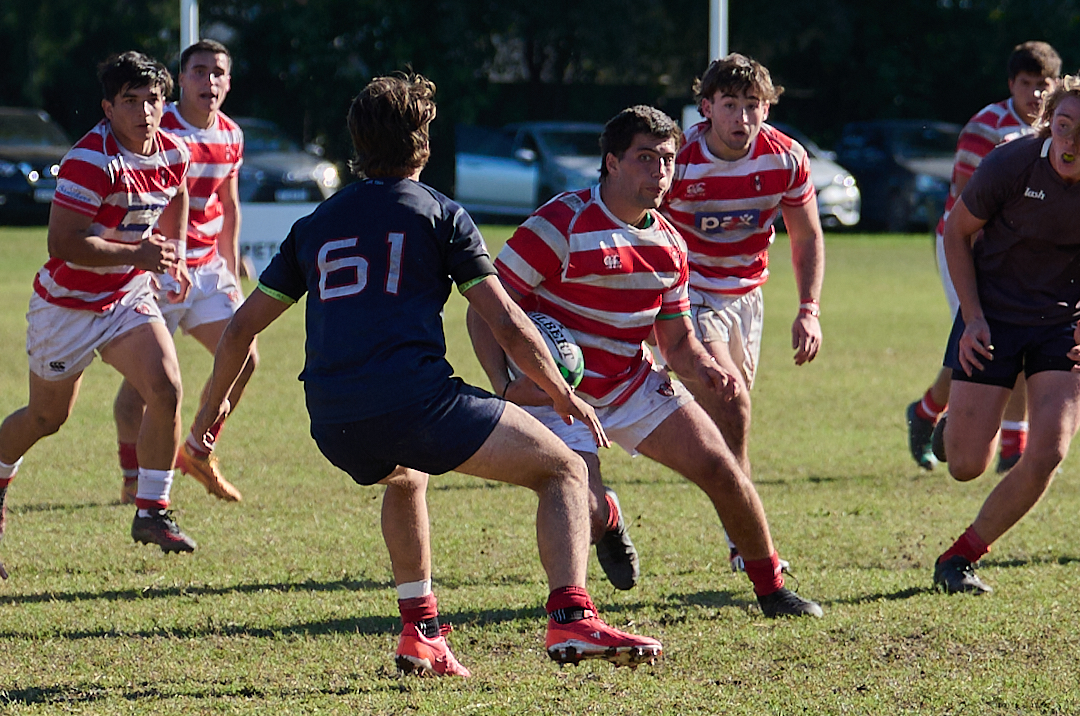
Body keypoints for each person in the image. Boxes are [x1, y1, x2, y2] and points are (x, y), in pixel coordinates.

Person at [189, 72, 663, 676]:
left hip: (332, 420)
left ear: (355, 145)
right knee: (564, 469)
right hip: (416, 402)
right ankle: (571, 618)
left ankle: (423, 634)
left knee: (405, 477)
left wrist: (210, 414)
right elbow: (507, 321)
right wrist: (561, 393)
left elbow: (238, 329)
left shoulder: (317, 223)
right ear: (424, 143)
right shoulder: (440, 213)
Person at [469, 104, 823, 618]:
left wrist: (705, 369)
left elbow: (676, 343)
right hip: (556, 395)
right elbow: (485, 309)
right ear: (612, 162)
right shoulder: (561, 222)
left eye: (668, 160)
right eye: (646, 158)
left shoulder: (671, 247)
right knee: (583, 512)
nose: (660, 173)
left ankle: (771, 590)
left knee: (722, 467)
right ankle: (608, 517)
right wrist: (505, 385)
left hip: (630, 383)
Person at [0, 51, 198, 562]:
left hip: (124, 297)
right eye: (130, 101)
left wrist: (169, 257)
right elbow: (63, 244)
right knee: (47, 418)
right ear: (107, 108)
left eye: (153, 100)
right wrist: (142, 253)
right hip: (67, 307)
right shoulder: (90, 160)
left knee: (166, 387)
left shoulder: (174, 152)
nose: (145, 112)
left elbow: (176, 194)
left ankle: (151, 508)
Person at [659, 53, 825, 571]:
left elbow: (806, 235)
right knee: (733, 403)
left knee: (731, 413)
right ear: (706, 108)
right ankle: (746, 541)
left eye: (753, 106)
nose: (742, 118)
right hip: (686, 293)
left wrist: (809, 309)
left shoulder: (786, 158)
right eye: (730, 105)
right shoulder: (679, 160)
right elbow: (642, 225)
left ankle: (735, 518)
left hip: (746, 298)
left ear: (768, 109)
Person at [931, 74, 1080, 595]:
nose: (1072, 141)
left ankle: (961, 556)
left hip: (1062, 324)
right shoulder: (1011, 162)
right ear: (1048, 124)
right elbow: (957, 233)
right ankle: (955, 426)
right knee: (967, 465)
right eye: (1064, 127)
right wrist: (971, 316)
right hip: (991, 315)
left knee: (1049, 452)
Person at [906, 41, 1062, 473]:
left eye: (1043, 85)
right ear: (1011, 84)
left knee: (987, 347)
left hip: (1026, 256)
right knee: (989, 342)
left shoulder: (1062, 129)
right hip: (971, 247)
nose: (1034, 94)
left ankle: (928, 411)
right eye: (1025, 84)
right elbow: (964, 210)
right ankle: (1012, 447)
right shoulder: (987, 128)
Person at [113, 39, 250, 505]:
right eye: (198, 71)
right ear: (181, 78)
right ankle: (133, 475)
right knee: (143, 388)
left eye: (217, 72)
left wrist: (231, 269)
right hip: (159, 268)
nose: (208, 81)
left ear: (228, 82)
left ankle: (196, 448)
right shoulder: (156, 124)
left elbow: (227, 204)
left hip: (208, 267)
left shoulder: (231, 134)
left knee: (244, 355)